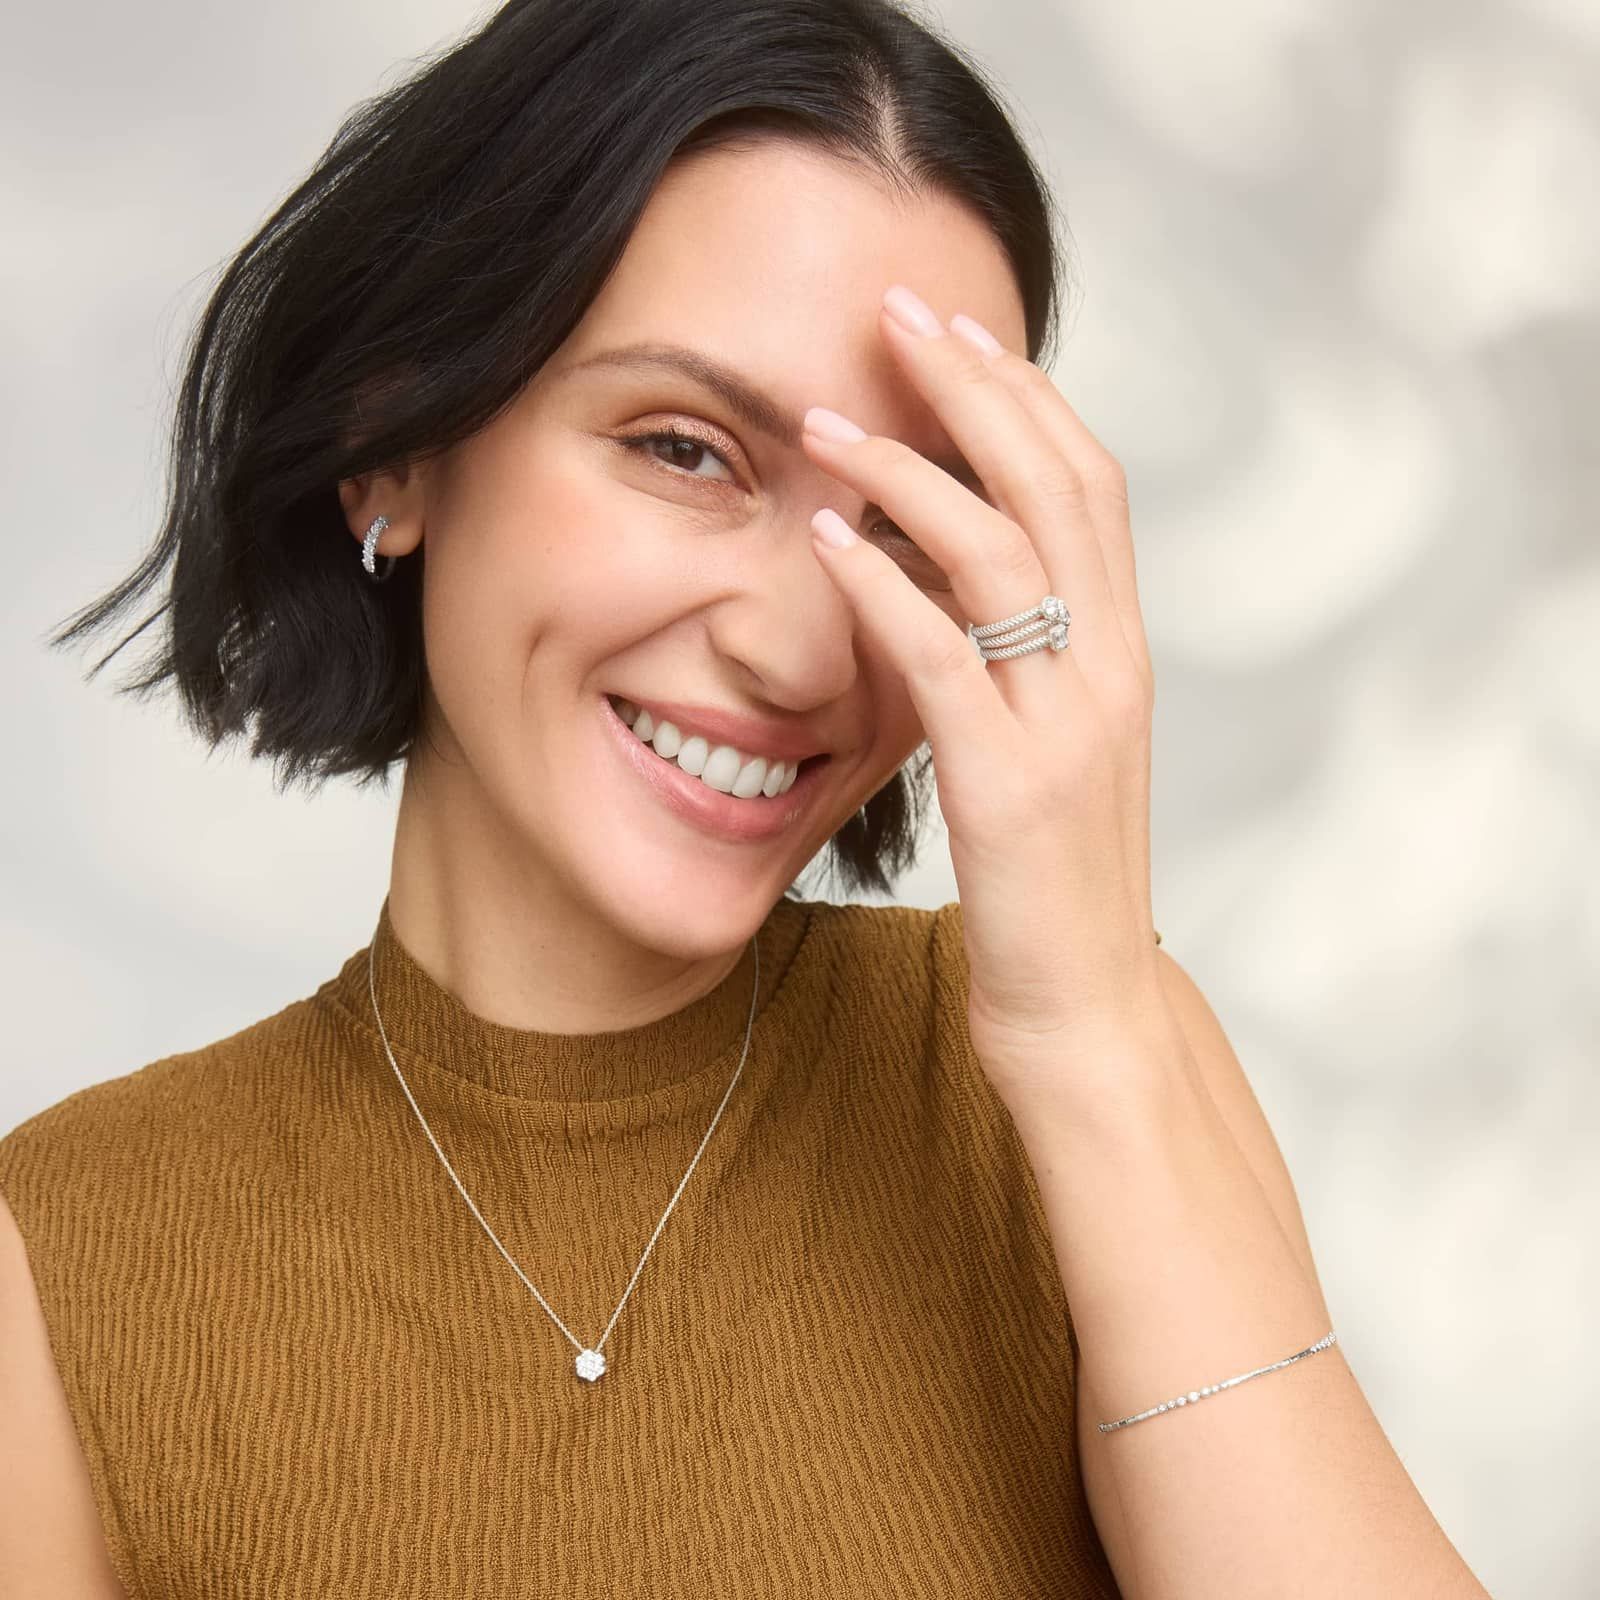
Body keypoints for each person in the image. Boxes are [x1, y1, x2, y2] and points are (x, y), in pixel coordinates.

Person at [0, 0, 1493, 1594]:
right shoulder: (68, 1265)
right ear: (396, 444)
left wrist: (1095, 1038)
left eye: (910, 522)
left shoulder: (1091, 1082)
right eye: (687, 450)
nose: (799, 653)